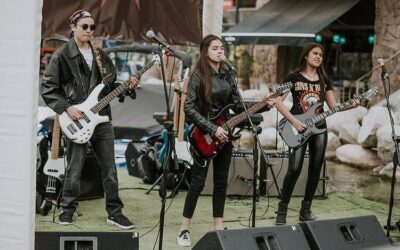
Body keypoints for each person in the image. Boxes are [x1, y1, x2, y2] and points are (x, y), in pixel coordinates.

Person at [41, 10, 138, 229]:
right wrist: (67, 108)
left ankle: (115, 213)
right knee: (74, 169)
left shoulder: (101, 56)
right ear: (73, 27)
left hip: (102, 119)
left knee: (110, 169)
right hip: (78, 119)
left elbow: (110, 87)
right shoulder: (62, 55)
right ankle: (67, 210)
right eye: (84, 26)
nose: (89, 31)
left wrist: (127, 88)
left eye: (92, 27)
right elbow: (48, 88)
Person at [176, 34, 275, 247]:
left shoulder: (229, 74)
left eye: (222, 47)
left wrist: (265, 105)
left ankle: (218, 226)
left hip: (225, 137)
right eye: (215, 48)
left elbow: (238, 107)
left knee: (221, 183)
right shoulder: (198, 76)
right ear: (205, 51)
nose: (220, 51)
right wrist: (213, 128)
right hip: (203, 135)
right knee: (197, 184)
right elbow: (188, 108)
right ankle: (184, 229)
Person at [274, 42, 358, 225]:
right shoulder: (293, 76)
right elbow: (277, 101)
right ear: (305, 55)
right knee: (294, 169)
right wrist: (294, 121)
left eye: (321, 54)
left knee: (315, 171)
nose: (319, 57)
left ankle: (305, 210)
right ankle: (282, 209)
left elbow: (333, 107)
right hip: (298, 128)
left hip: (319, 128)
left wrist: (350, 105)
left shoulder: (323, 80)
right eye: (315, 53)